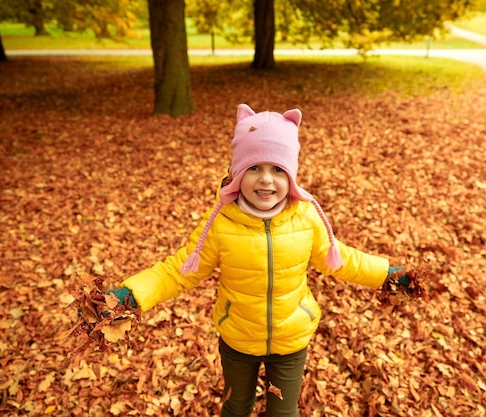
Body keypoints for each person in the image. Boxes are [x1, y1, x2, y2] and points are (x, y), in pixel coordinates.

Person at [109, 103, 410, 417]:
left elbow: (341, 259)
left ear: (291, 176)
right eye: (254, 168)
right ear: (238, 173)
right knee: (236, 406)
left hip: (291, 338)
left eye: (277, 169)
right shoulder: (221, 223)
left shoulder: (305, 218)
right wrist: (133, 295)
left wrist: (386, 274)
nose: (266, 179)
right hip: (238, 338)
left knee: (283, 412)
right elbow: (179, 271)